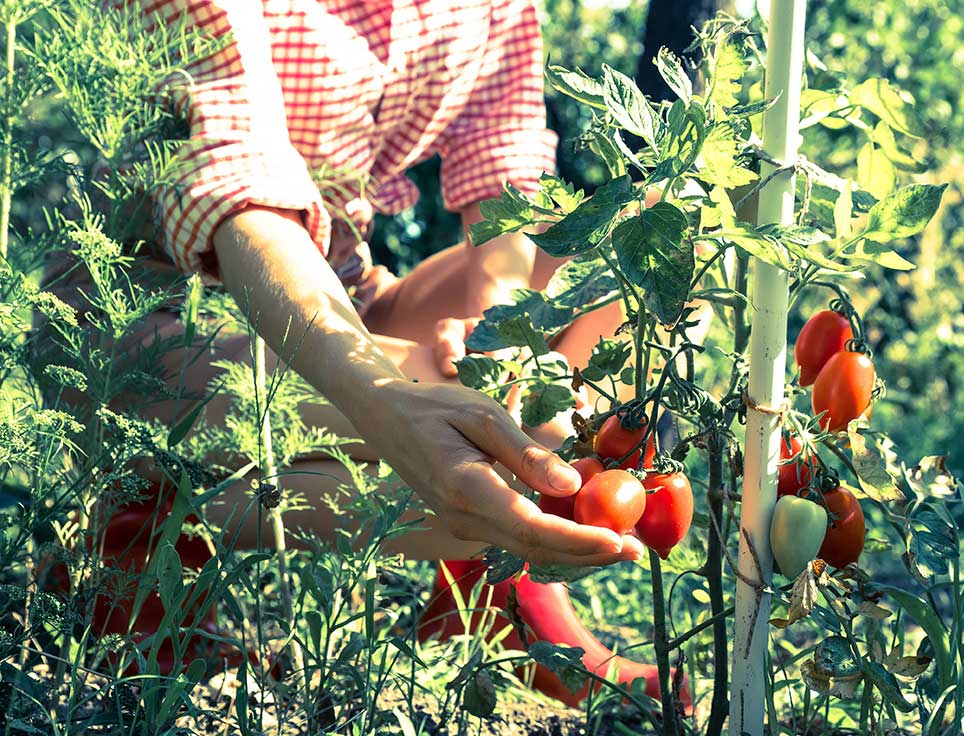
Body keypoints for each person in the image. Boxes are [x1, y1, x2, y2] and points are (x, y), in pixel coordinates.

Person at [101, 0, 645, 567]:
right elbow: (243, 193)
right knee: (489, 440)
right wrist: (388, 400)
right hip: (156, 320)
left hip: (344, 292)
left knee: (653, 246)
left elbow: (499, 172)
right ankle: (160, 511)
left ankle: (502, 570)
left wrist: (499, 342)